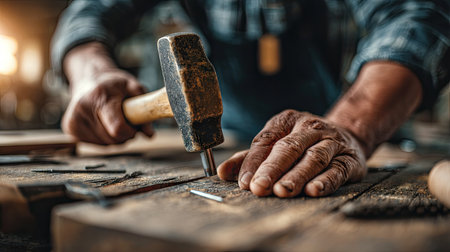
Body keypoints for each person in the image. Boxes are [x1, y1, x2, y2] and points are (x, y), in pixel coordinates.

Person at [51, 0, 449, 198]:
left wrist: (354, 127)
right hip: (237, 145)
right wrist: (91, 73)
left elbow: (417, 17)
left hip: (364, 138)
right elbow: (88, 13)